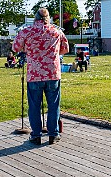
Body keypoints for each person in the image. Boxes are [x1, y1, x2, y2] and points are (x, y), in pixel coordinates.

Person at [12, 8, 69, 145]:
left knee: (34, 106)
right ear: (48, 18)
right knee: (54, 105)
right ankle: (53, 134)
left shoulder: (25, 31)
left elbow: (15, 48)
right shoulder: (56, 31)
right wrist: (53, 53)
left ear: (35, 18)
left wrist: (28, 49)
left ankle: (36, 135)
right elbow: (65, 49)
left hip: (34, 75)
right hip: (53, 73)